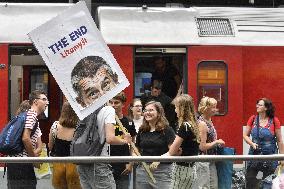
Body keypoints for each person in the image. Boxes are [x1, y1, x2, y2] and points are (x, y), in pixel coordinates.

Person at [76, 92, 132, 189]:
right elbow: (110, 138)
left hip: (82, 161)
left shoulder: (85, 109)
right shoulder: (108, 110)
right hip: (99, 161)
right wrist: (125, 140)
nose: (113, 105)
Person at [7, 90, 48, 189]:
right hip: (22, 164)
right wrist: (34, 159)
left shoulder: (26, 115)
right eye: (44, 99)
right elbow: (26, 138)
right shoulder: (31, 115)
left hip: (15, 163)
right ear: (35, 102)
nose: (47, 102)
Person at [243, 98, 284, 189]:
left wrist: (282, 157)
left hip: (270, 158)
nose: (257, 106)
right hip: (254, 156)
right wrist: (252, 144)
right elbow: (245, 135)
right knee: (251, 182)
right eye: (257, 104)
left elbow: (280, 140)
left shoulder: (274, 120)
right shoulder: (253, 119)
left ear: (266, 108)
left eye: (260, 105)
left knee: (267, 184)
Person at [135, 101, 175, 189]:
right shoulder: (142, 130)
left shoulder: (167, 130)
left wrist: (159, 160)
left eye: (151, 110)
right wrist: (135, 158)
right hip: (143, 171)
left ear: (159, 113)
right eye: (145, 110)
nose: (147, 113)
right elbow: (136, 148)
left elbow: (173, 151)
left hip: (162, 171)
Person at [168, 94, 200, 189]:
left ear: (182, 109)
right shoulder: (193, 125)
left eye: (176, 107)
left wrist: (175, 152)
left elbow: (172, 151)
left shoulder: (184, 126)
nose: (175, 110)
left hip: (181, 169)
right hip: (190, 168)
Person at [48, 102, 81, 189]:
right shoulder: (80, 128)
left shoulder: (55, 126)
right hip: (75, 166)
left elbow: (50, 146)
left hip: (59, 164)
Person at [108, 92, 137, 189]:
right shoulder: (105, 121)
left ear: (123, 104)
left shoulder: (129, 122)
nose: (113, 105)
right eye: (110, 102)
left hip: (123, 165)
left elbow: (133, 144)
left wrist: (130, 163)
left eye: (116, 103)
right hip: (106, 164)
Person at [197, 96, 225, 189]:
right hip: (203, 160)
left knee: (213, 186)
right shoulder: (202, 124)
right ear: (205, 108)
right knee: (204, 186)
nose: (215, 109)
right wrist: (216, 142)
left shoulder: (209, 120)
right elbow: (202, 147)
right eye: (213, 107)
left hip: (210, 159)